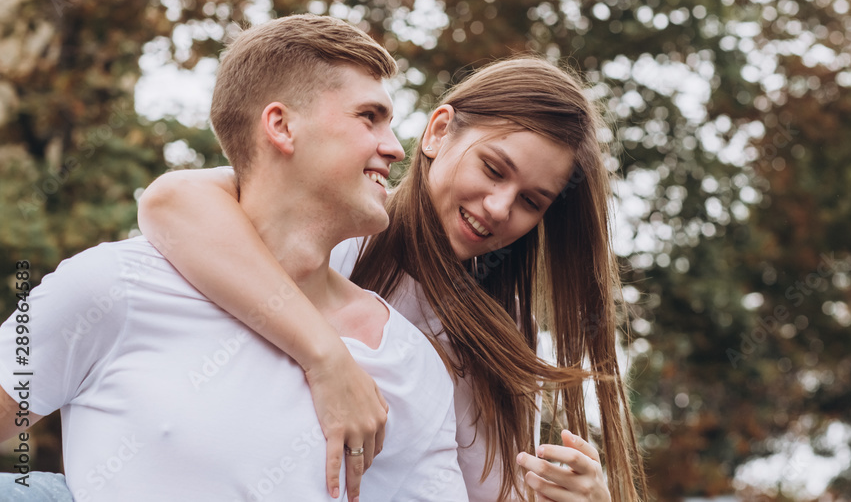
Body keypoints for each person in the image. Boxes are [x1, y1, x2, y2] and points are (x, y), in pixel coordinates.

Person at [0, 15, 468, 502]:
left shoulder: (411, 362)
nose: (395, 148)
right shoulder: (109, 287)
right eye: (368, 117)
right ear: (282, 126)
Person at [138, 57, 649, 501]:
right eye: (494, 169)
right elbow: (170, 202)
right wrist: (327, 359)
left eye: (530, 202)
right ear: (438, 131)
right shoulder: (333, 231)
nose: (499, 208)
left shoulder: (505, 333)